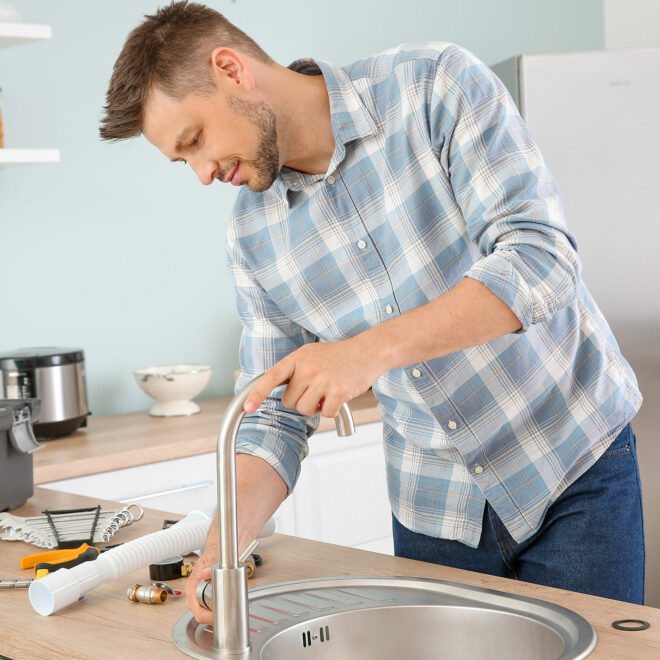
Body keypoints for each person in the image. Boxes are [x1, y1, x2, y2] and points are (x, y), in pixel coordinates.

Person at [100, 1, 645, 623]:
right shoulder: (251, 240)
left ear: (230, 69)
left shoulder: (434, 86)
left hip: (570, 467)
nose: (201, 173)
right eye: (181, 161)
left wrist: (365, 351)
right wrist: (221, 554)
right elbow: (269, 419)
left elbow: (540, 258)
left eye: (194, 140)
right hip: (433, 514)